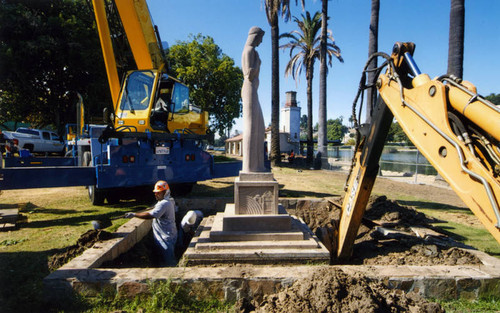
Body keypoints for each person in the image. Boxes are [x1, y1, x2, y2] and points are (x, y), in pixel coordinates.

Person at [125, 180, 178, 266]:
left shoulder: (164, 204)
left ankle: (173, 275)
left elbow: (150, 215)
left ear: (165, 192)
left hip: (165, 238)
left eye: (158, 193)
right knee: (163, 258)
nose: (155, 194)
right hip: (170, 234)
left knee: (169, 262)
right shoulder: (170, 200)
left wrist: (134, 214)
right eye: (155, 192)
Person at [241, 26, 266, 173]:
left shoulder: (252, 51)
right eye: (260, 38)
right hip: (249, 88)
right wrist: (258, 63)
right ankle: (250, 166)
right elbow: (250, 73)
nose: (261, 42)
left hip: (252, 90)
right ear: (255, 37)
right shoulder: (250, 51)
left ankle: (258, 165)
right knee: (251, 126)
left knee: (260, 126)